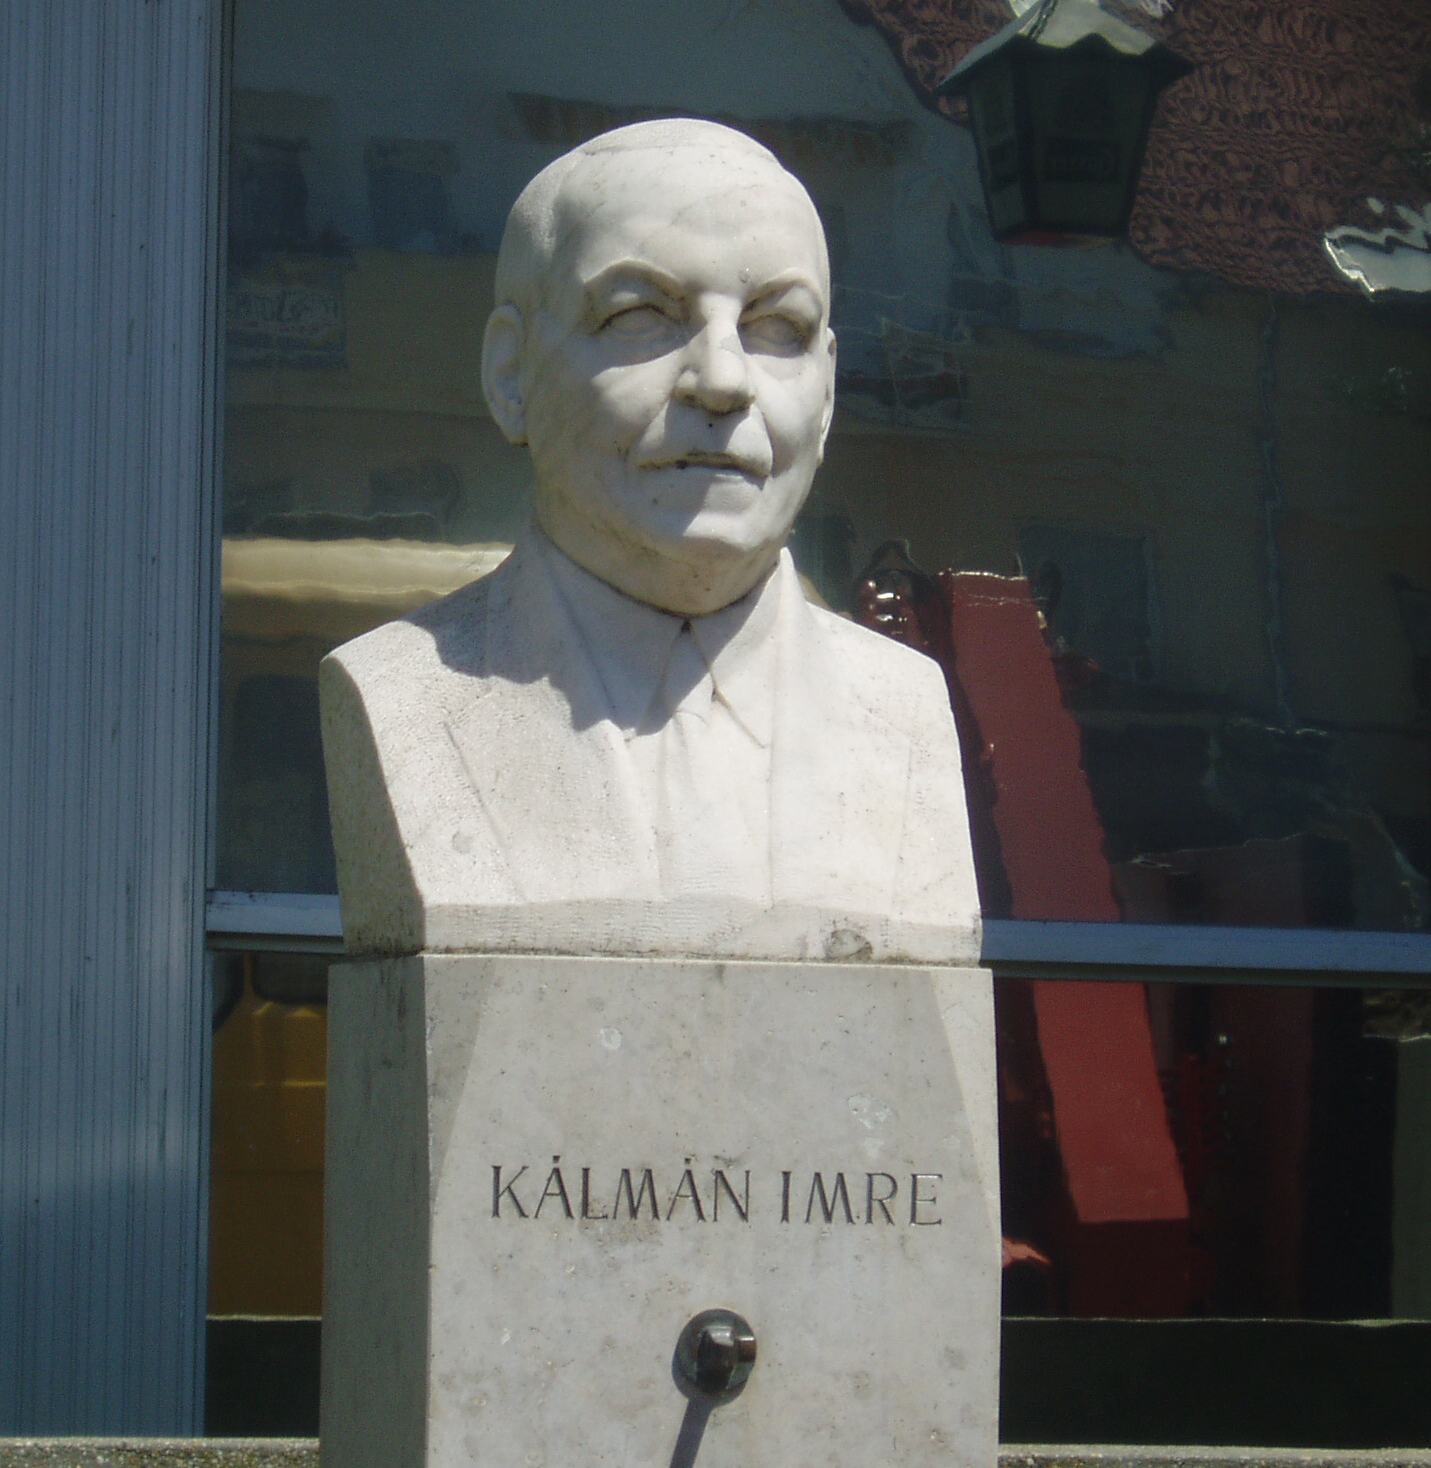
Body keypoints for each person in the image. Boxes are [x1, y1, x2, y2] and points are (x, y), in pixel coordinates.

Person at [321, 118, 976, 962]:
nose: (724, 380)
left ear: (829, 392)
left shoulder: (907, 713)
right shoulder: (404, 697)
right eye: (640, 315)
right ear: (511, 375)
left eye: (779, 327)